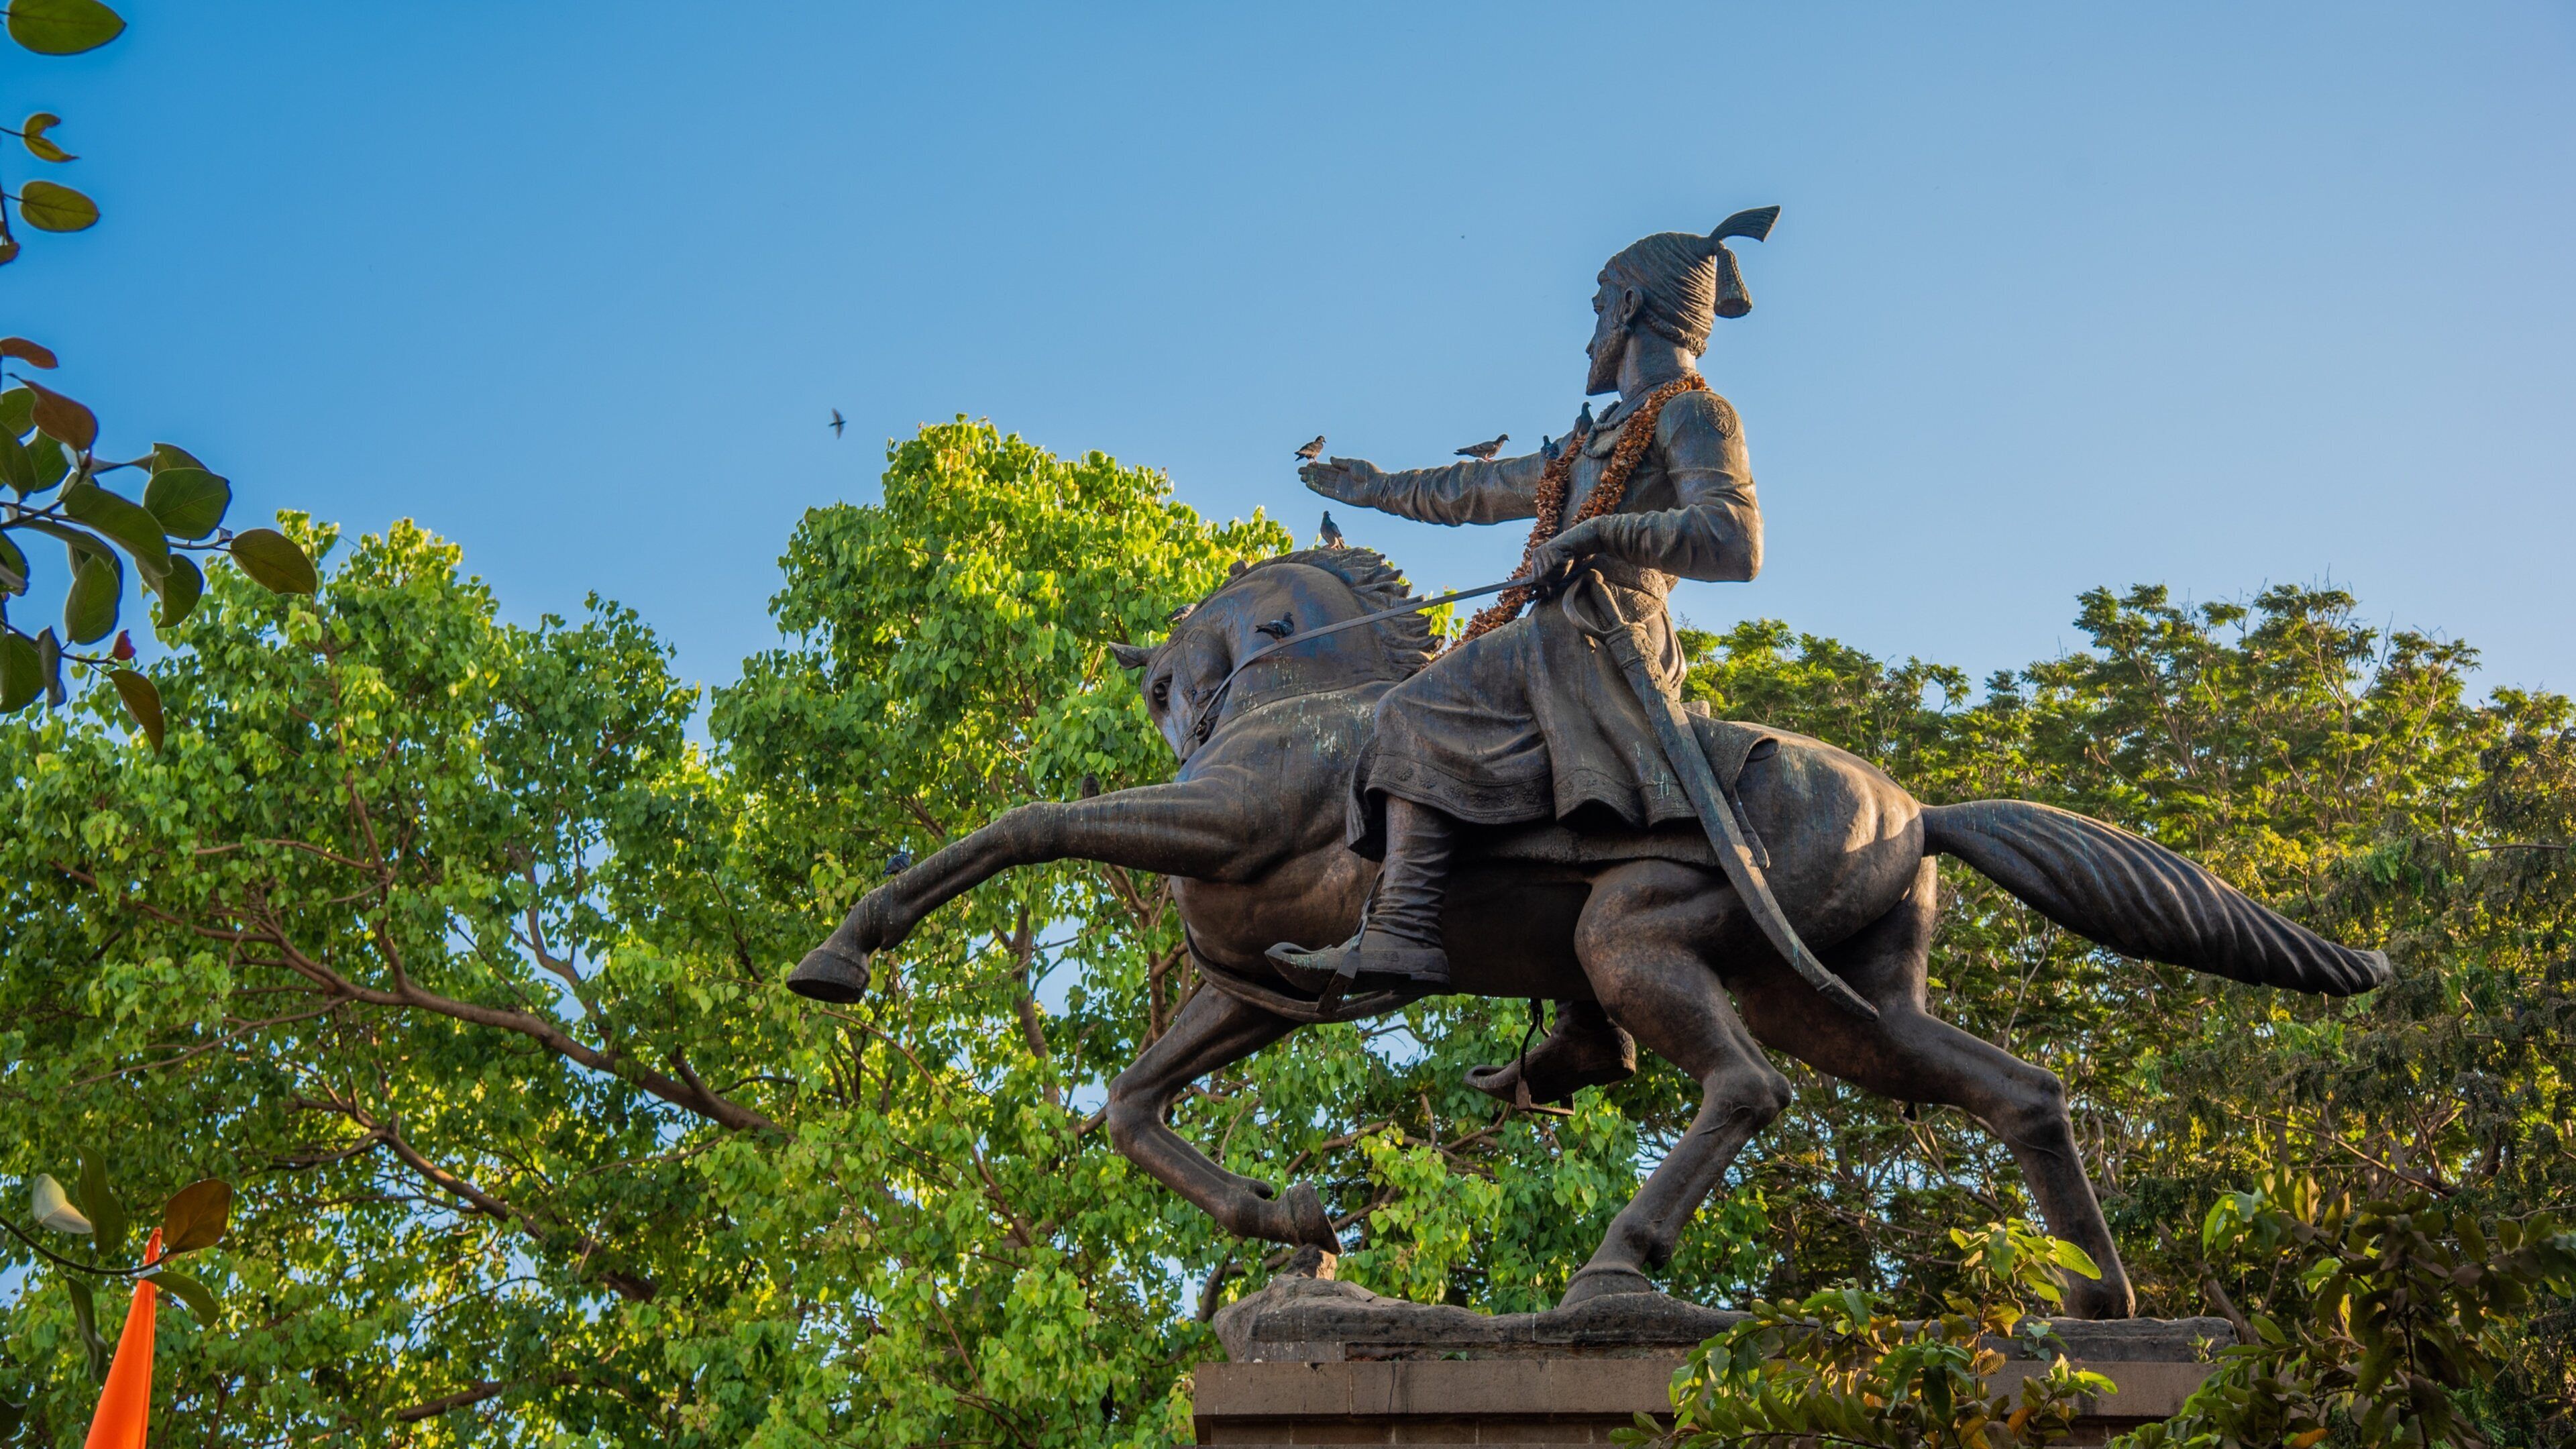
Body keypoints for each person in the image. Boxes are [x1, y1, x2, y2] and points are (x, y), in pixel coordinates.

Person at [1273, 211, 1776, 1002]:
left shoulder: (1695, 414)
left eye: (1597, 307)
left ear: (1631, 307)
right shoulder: (1586, 444)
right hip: (1555, 636)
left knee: (1409, 710)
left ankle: (1401, 929)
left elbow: (1734, 542)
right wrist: (1371, 489)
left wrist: (1600, 531)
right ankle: (1585, 1013)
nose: (1590, 336)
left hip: (1605, 636)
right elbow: (1470, 489)